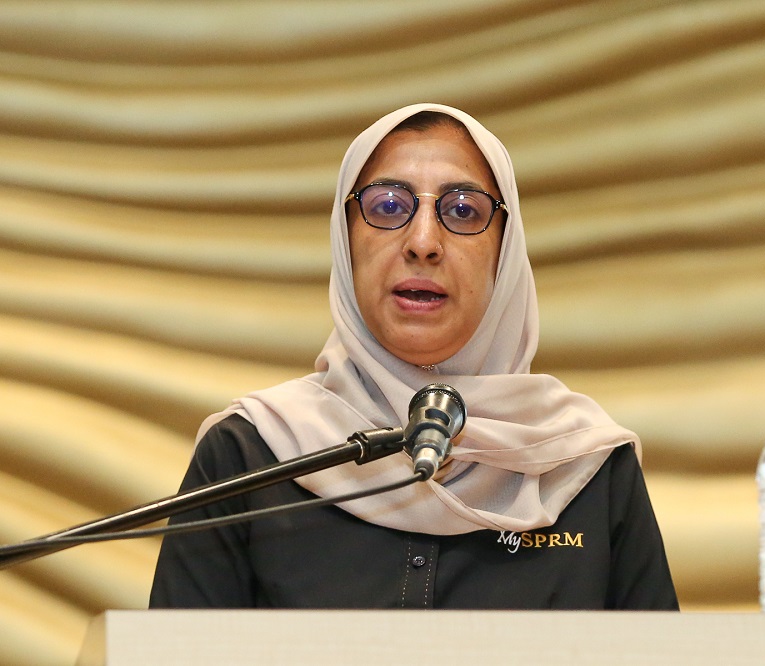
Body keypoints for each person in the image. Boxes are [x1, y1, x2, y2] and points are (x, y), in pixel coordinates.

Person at [148, 103, 679, 610]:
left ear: (506, 251)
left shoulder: (584, 466)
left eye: (463, 210)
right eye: (388, 206)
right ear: (344, 237)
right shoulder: (252, 456)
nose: (423, 241)